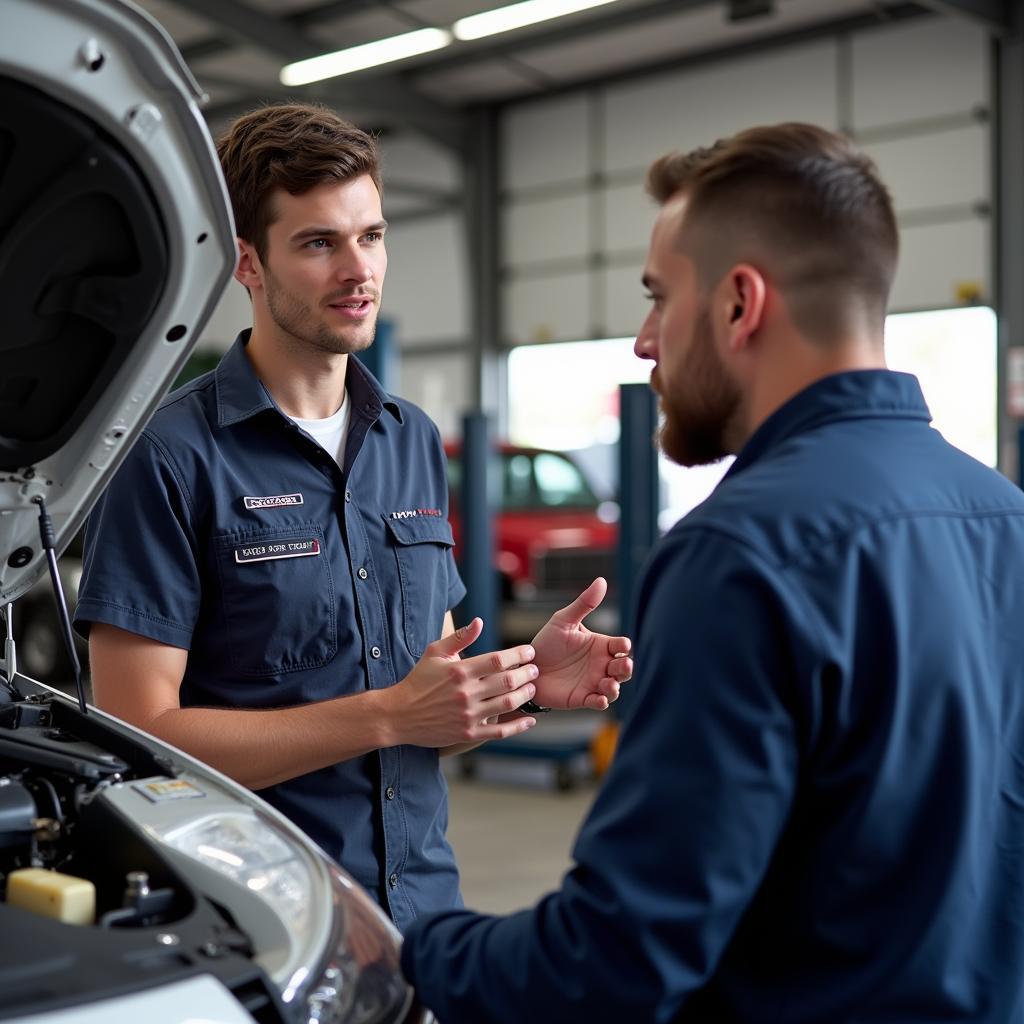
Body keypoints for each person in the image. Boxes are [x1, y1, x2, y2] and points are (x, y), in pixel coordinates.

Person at [399, 122, 1024, 1021]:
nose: (646, 342)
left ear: (740, 304)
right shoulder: (1002, 517)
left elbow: (617, 963)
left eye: (659, 299)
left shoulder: (739, 554)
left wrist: (417, 949)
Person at [73, 102, 633, 930]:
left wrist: (520, 686)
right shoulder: (170, 456)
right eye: (317, 242)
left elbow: (428, 713)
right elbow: (140, 735)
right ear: (247, 264)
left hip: (419, 916)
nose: (357, 270)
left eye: (370, 236)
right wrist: (386, 715)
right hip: (258, 926)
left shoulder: (408, 441)